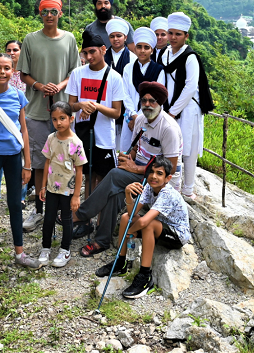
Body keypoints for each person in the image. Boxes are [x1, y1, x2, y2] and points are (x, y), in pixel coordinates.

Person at [73, 81, 183, 258]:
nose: (147, 104)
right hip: (140, 172)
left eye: (152, 101)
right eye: (144, 100)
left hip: (159, 180)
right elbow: (135, 149)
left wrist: (136, 168)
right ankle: (102, 241)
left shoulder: (168, 128)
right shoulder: (140, 120)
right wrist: (128, 157)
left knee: (115, 175)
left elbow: (169, 167)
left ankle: (81, 214)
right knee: (115, 192)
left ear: (160, 103)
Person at [18, 0, 80, 233]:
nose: (49, 16)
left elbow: (74, 73)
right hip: (36, 109)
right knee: (40, 162)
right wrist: (40, 86)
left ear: (60, 13)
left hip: (62, 111)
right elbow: (23, 73)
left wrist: (60, 86)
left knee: (64, 161)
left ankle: (62, 210)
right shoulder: (30, 40)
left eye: (53, 11)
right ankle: (40, 211)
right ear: (40, 13)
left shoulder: (70, 40)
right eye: (45, 11)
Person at [0, 53, 40, 273]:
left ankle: (20, 253)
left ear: (13, 71)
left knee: (15, 204)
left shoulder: (19, 96)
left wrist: (27, 164)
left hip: (14, 156)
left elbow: (23, 130)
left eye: (7, 68)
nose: (2, 72)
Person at [109, 156, 191, 299]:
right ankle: (120, 262)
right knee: (125, 218)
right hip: (160, 227)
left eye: (159, 173)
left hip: (176, 235)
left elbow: (143, 222)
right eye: (151, 172)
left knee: (148, 225)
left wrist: (131, 231)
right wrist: (128, 193)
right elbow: (131, 213)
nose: (153, 176)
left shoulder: (168, 193)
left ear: (168, 178)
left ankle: (145, 277)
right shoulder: (149, 186)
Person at [159, 12, 213, 200]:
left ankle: (188, 189)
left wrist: (173, 112)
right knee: (169, 147)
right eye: (170, 33)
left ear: (186, 36)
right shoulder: (165, 54)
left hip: (188, 110)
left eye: (178, 34)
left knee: (188, 150)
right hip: (169, 109)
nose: (173, 38)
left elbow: (191, 87)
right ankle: (171, 187)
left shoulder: (191, 57)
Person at [66, 31, 123, 197]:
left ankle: (100, 219)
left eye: (93, 52)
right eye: (86, 52)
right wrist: (81, 105)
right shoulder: (78, 74)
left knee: (103, 177)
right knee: (88, 176)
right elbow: (70, 106)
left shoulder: (114, 77)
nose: (89, 56)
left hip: (104, 137)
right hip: (82, 134)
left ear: (103, 49)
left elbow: (116, 113)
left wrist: (95, 106)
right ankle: (86, 217)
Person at [37, 101, 86, 268]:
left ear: (71, 119)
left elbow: (79, 171)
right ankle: (45, 247)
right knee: (49, 218)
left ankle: (65, 249)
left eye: (62, 118)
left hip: (68, 190)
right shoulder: (51, 139)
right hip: (51, 188)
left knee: (66, 219)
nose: (58, 123)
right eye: (54, 119)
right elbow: (47, 163)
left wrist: (76, 195)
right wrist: (43, 186)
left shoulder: (76, 143)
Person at [120, 28, 165, 150]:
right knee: (127, 152)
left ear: (152, 50)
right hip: (130, 118)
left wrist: (139, 119)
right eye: (139, 47)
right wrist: (133, 116)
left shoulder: (159, 70)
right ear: (134, 48)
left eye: (146, 47)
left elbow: (157, 97)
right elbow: (125, 94)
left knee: (145, 152)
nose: (142, 51)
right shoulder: (128, 69)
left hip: (150, 117)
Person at [105, 18, 132, 151]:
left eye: (119, 36)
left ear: (125, 37)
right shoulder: (103, 57)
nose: (115, 39)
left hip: (125, 104)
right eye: (112, 36)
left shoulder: (133, 58)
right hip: (106, 103)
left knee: (122, 143)